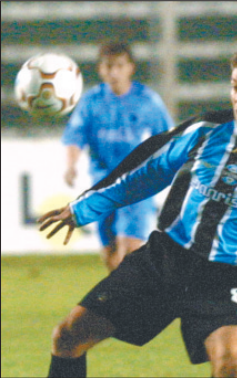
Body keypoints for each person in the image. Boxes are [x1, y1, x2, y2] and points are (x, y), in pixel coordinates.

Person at [38, 43, 237, 378]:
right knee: (67, 337)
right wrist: (81, 208)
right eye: (235, 87)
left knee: (231, 366)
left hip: (229, 277)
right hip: (165, 260)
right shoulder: (205, 130)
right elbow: (143, 172)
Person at [61, 41, 174, 271]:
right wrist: (71, 165)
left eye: (119, 66)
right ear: (100, 68)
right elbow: (75, 136)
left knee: (130, 253)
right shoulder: (91, 102)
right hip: (102, 186)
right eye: (108, 66)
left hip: (137, 185)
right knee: (111, 258)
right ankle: (128, 304)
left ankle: (138, 303)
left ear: (130, 68)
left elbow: (169, 139)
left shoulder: (147, 101)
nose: (113, 72)